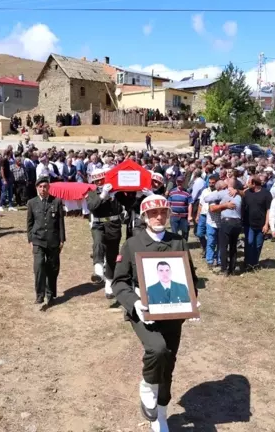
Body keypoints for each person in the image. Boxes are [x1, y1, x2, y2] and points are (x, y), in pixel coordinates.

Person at [112, 194, 198, 432]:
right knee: (157, 349)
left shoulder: (178, 241)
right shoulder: (132, 244)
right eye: (153, 213)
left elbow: (190, 276)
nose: (159, 217)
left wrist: (192, 301)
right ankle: (148, 386)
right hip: (144, 311)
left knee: (168, 363)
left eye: (163, 212)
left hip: (173, 312)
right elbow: (119, 282)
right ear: (145, 217)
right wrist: (134, 302)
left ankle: (161, 412)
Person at [26, 177, 66, 309]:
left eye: (45, 186)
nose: (43, 189)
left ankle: (50, 294)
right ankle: (39, 294)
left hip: (53, 240)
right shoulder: (32, 203)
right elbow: (30, 223)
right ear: (37, 188)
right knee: (38, 266)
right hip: (38, 239)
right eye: (40, 187)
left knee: (52, 268)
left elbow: (60, 222)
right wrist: (30, 239)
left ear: (49, 187)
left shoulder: (56, 201)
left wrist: (62, 239)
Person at [86, 169, 124, 298]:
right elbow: (92, 206)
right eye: (96, 181)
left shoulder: (116, 193)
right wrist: (102, 195)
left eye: (101, 180)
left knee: (112, 255)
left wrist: (113, 197)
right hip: (98, 224)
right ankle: (98, 268)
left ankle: (109, 284)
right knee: (98, 243)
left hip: (113, 225)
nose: (99, 182)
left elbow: (121, 209)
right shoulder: (92, 193)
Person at [206, 178, 241, 276]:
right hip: (238, 223)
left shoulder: (224, 192)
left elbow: (206, 198)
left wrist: (223, 203)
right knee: (233, 246)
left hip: (226, 222)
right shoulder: (239, 194)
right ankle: (232, 269)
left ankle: (224, 269)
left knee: (223, 246)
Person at [242, 176, 272, 270]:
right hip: (249, 224)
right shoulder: (247, 193)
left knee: (258, 244)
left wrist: (267, 224)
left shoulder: (266, 194)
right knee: (250, 242)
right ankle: (248, 262)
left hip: (261, 224)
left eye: (248, 182)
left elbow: (268, 210)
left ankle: (254, 263)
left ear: (254, 184)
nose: (246, 184)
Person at [167, 176, 192, 241]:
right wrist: (169, 213)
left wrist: (189, 216)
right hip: (174, 216)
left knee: (185, 233)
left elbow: (190, 204)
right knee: (174, 233)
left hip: (184, 217)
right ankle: (176, 248)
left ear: (184, 182)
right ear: (176, 182)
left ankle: (184, 247)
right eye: (178, 182)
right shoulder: (171, 192)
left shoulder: (187, 193)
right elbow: (169, 203)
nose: (179, 183)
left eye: (181, 182)